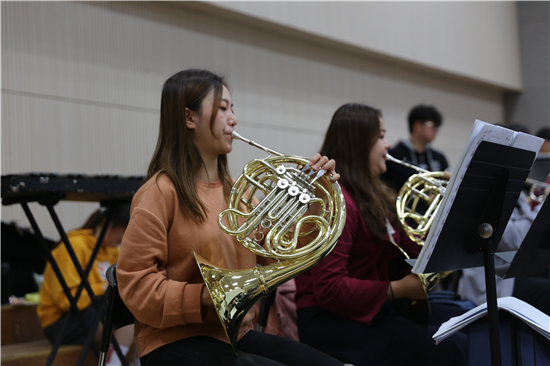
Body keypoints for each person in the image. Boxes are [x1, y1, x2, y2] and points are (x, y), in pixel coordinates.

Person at [116, 69, 344, 366]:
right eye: (222, 108)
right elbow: (136, 287)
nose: (233, 119)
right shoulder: (159, 193)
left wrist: (315, 199)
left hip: (234, 334)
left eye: (232, 108)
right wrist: (206, 296)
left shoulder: (237, 191)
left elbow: (277, 255)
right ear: (189, 118)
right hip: (171, 342)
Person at [294, 103, 468, 366]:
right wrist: (398, 289)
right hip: (329, 320)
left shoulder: (377, 196)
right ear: (359, 143)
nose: (388, 145)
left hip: (370, 308)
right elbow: (329, 290)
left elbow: (411, 248)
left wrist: (450, 211)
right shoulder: (338, 203)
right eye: (381, 136)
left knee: (464, 326)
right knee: (448, 347)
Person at [38, 204, 137, 366]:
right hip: (63, 321)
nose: (125, 236)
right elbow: (67, 300)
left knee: (141, 309)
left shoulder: (112, 250)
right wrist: (104, 289)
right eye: (123, 228)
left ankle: (127, 361)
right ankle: (113, 362)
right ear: (108, 223)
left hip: (95, 311)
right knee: (129, 316)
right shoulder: (75, 246)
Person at [381, 104, 449, 193]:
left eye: (437, 126)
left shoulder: (440, 158)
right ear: (417, 125)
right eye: (432, 124)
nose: (436, 130)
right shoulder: (394, 156)